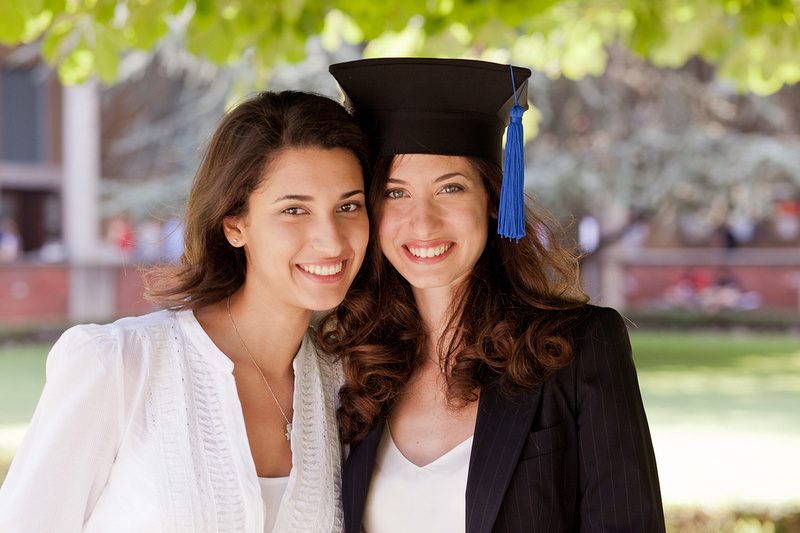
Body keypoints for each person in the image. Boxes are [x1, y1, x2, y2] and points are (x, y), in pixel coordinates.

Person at [0, 90, 370, 533]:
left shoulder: (347, 385)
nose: (331, 240)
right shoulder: (118, 365)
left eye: (349, 206)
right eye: (294, 210)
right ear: (235, 225)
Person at [323, 58, 665, 532]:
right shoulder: (351, 363)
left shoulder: (576, 348)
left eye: (450, 188)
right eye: (396, 193)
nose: (423, 222)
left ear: (492, 199)